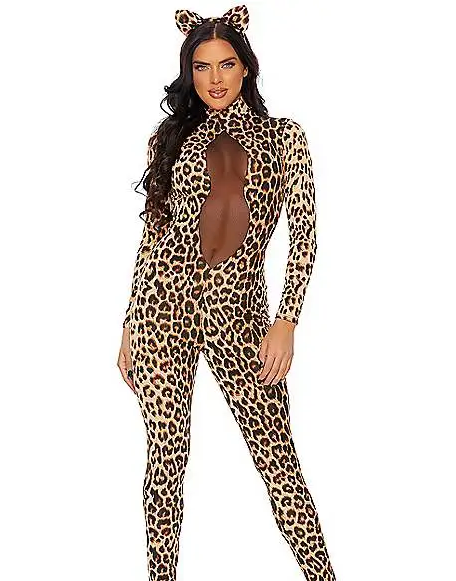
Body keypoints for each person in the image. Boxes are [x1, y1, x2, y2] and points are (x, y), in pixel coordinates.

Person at [117, 5, 336, 580]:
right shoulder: (167, 140)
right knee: (164, 463)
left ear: (246, 68)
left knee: (279, 462)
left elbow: (305, 230)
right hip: (164, 306)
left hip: (240, 309)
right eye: (201, 66)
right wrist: (130, 323)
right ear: (188, 72)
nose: (214, 78)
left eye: (226, 64)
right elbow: (152, 237)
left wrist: (286, 320)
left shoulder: (283, 138)